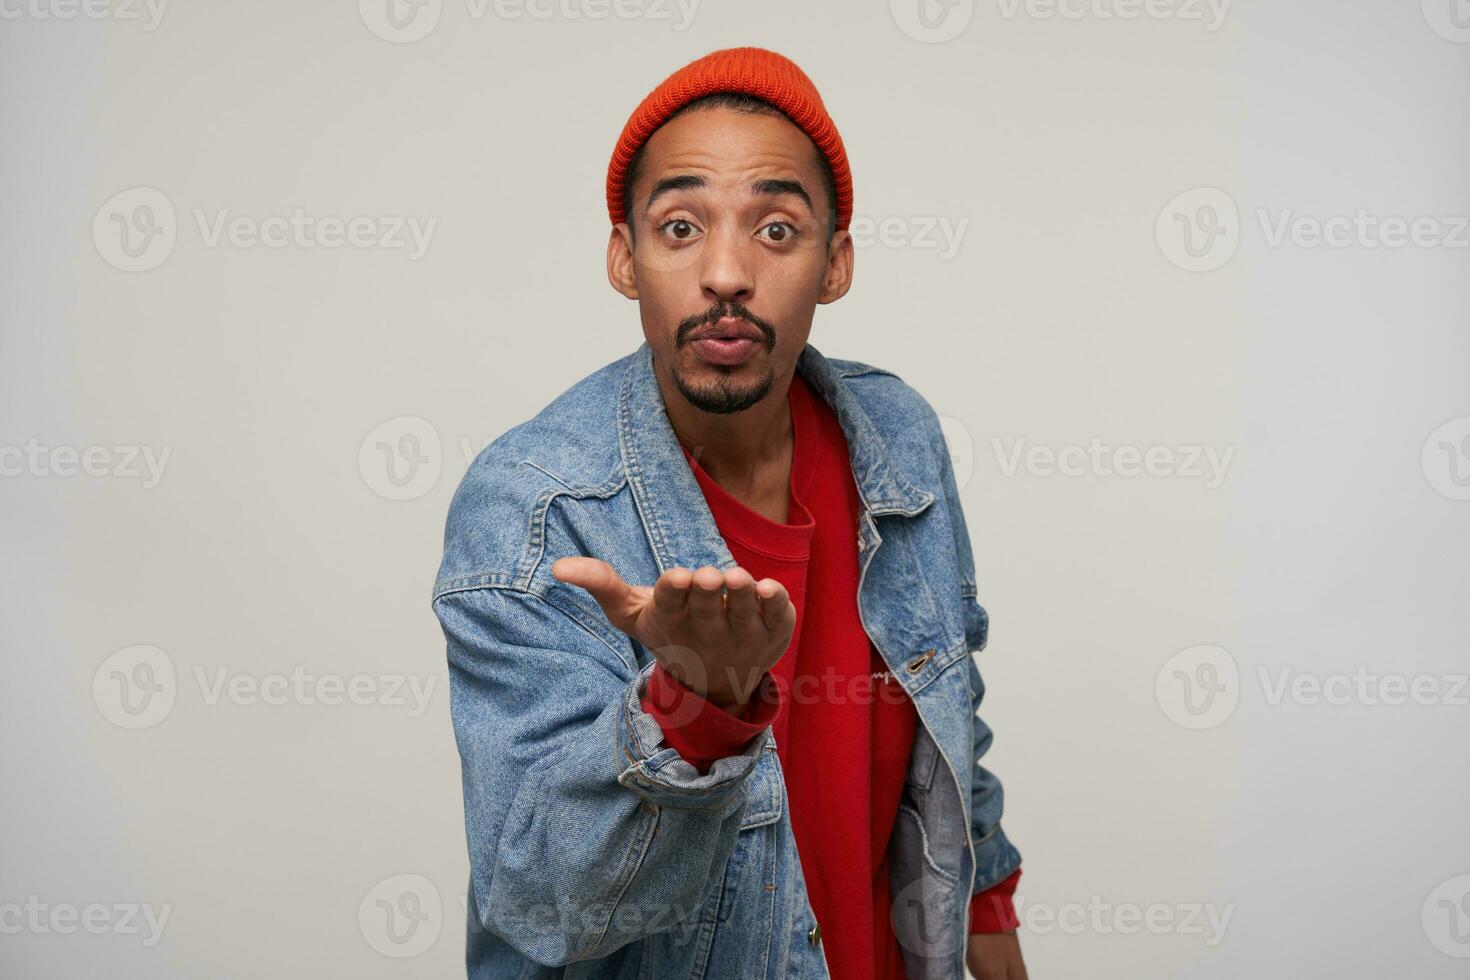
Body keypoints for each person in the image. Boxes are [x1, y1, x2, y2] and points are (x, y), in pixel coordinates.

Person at [432, 46, 1026, 980]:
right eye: (679, 226)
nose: (725, 273)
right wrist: (694, 707)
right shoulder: (535, 508)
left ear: (837, 263)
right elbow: (540, 901)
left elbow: (950, 718)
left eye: (777, 230)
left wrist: (989, 915)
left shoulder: (899, 442)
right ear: (625, 259)